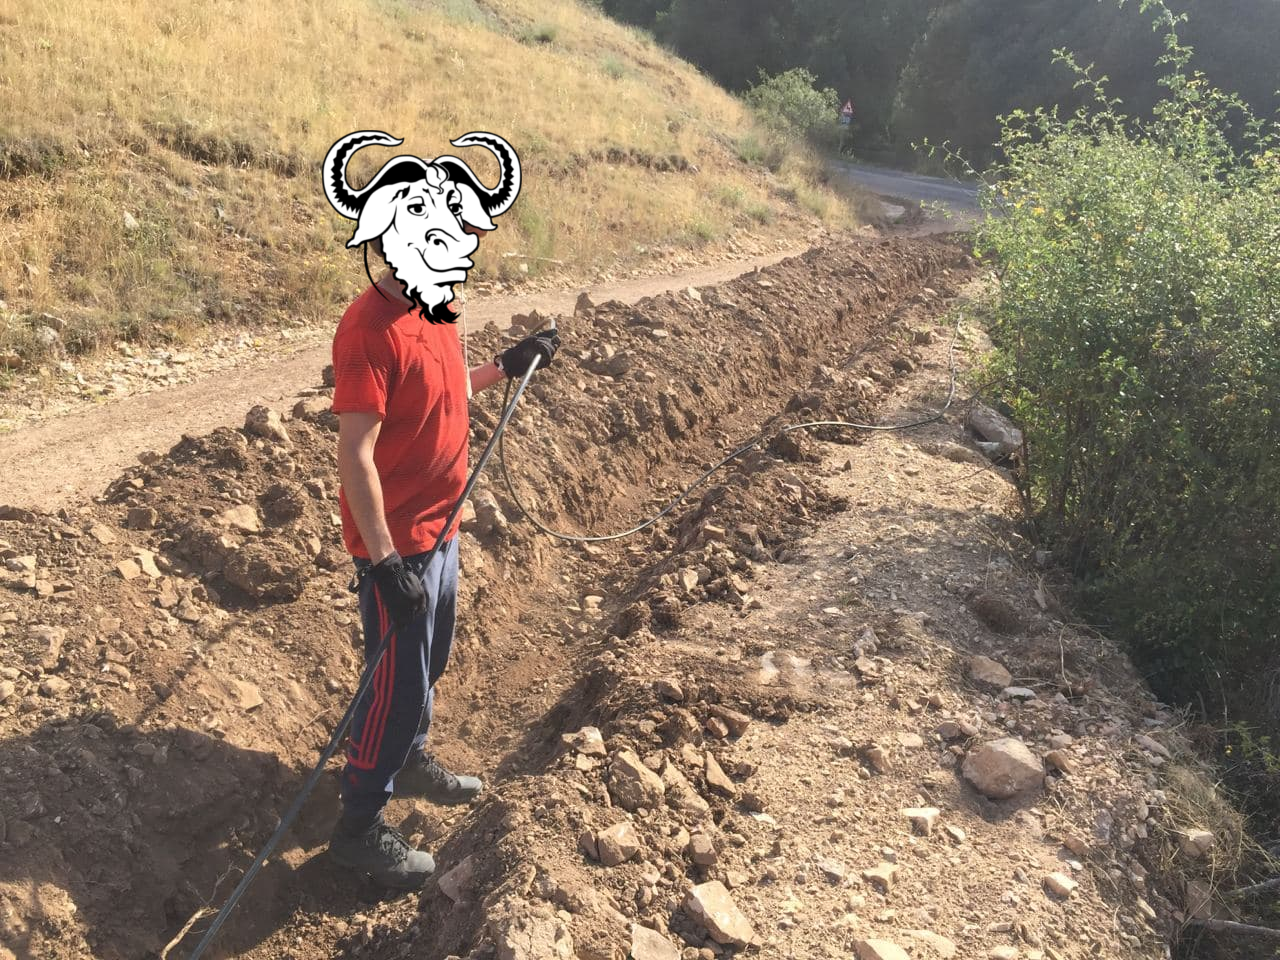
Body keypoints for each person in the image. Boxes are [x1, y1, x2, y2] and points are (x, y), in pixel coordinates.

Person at [325, 243, 559, 888]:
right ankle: (357, 828)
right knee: (395, 690)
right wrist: (385, 563)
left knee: (429, 665)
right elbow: (355, 454)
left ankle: (410, 760)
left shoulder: (441, 305)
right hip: (397, 543)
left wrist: (504, 366)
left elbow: (444, 388)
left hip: (443, 525)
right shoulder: (367, 330)